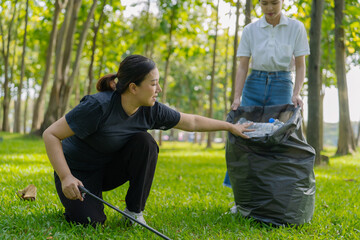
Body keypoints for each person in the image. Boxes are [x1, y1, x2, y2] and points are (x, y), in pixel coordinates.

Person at [43, 55, 253, 227]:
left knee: (145, 142)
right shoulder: (98, 106)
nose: (159, 89)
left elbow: (193, 122)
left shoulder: (151, 110)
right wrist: (65, 176)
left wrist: (230, 126)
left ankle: (134, 212)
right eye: (153, 84)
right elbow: (51, 134)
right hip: (78, 174)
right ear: (133, 87)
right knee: (91, 223)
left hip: (109, 169)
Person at [223, 0, 310, 208]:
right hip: (254, 83)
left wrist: (296, 93)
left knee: (279, 136)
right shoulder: (250, 30)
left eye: (274, 3)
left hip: (282, 83)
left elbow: (300, 64)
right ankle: (241, 198)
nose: (269, 8)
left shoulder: (296, 27)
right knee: (244, 134)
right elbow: (243, 66)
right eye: (264, 3)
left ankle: (277, 194)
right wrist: (237, 96)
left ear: (282, 2)